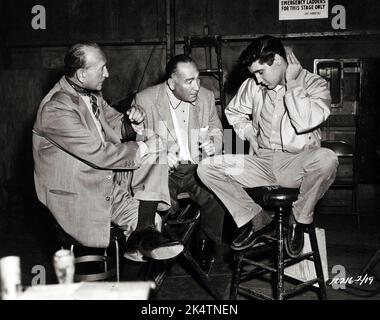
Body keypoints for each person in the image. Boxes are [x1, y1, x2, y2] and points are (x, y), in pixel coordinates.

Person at [32, 42, 184, 262]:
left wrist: (133, 118)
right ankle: (137, 252)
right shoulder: (56, 109)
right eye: (101, 68)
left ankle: (142, 233)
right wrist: (143, 147)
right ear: (82, 74)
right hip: (79, 195)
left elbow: (114, 122)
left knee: (152, 225)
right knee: (149, 148)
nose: (107, 73)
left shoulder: (92, 94)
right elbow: (100, 153)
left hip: (105, 183)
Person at [197, 35, 338, 257]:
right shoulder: (253, 85)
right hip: (261, 162)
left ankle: (297, 220)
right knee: (206, 168)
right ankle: (258, 219)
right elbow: (233, 112)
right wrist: (249, 134)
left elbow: (304, 122)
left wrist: (292, 84)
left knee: (327, 159)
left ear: (279, 61)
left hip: (296, 164)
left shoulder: (315, 84)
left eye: (260, 72)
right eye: (254, 74)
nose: (258, 79)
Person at [132, 54, 225, 269]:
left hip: (196, 168)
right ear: (172, 83)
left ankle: (203, 244)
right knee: (159, 205)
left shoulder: (206, 97)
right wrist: (163, 153)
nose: (196, 87)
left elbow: (215, 128)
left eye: (198, 79)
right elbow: (142, 143)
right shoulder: (145, 100)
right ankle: (153, 252)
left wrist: (214, 142)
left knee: (221, 193)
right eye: (189, 81)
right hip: (165, 172)